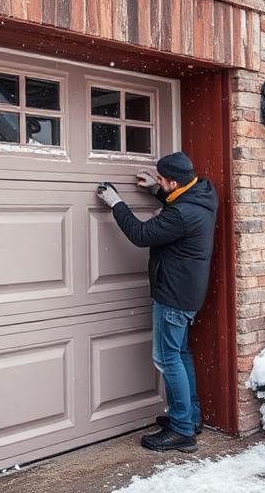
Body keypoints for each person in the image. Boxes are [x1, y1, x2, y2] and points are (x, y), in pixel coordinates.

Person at [97, 152, 218, 453]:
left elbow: (140, 234)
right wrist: (156, 189)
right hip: (188, 291)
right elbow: (178, 204)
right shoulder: (203, 192)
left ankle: (181, 431)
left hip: (173, 294)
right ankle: (189, 418)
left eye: (163, 180)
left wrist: (116, 203)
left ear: (175, 182)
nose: (160, 183)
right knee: (180, 352)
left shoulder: (181, 213)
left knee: (166, 358)